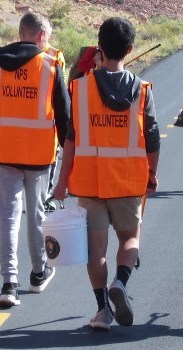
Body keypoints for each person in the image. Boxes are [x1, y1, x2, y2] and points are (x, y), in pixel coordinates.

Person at [53, 17, 160, 331]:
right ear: (129, 49)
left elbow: (70, 139)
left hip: (90, 184)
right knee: (130, 241)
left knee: (95, 252)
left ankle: (102, 310)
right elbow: (152, 140)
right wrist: (152, 174)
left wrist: (62, 182)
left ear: (99, 47)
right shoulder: (142, 90)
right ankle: (121, 283)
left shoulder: (81, 88)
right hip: (128, 183)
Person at [0, 11, 70, 306]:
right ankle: (38, 273)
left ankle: (8, 283)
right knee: (36, 215)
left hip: (5, 152)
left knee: (8, 217)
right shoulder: (50, 64)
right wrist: (70, 153)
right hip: (40, 155)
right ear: (41, 35)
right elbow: (64, 114)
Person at [40, 19, 67, 212]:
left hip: (47, 120)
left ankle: (47, 195)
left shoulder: (56, 57)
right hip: (40, 123)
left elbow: (59, 91)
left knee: (50, 163)